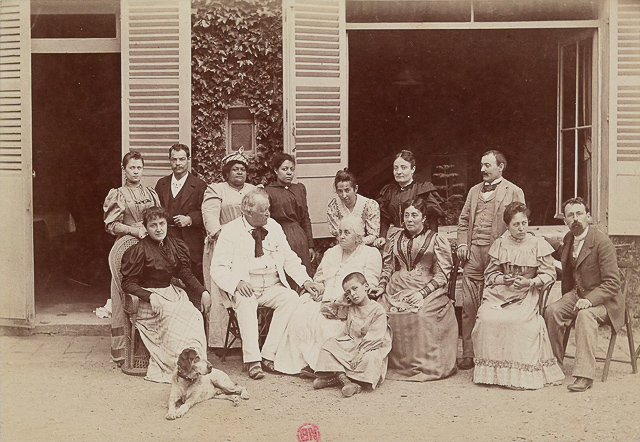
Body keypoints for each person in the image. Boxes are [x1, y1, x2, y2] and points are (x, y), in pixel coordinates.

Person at [210, 189, 323, 380]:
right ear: (247, 211)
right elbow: (218, 268)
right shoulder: (230, 231)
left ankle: (268, 355)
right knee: (246, 302)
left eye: (268, 209)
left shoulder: (274, 227)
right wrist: (237, 283)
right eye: (264, 210)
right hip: (246, 285)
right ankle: (253, 360)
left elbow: (289, 258)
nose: (268, 214)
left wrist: (306, 280)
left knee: (291, 298)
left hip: (272, 284)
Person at [471, 202, 565, 390]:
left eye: (524, 223)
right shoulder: (500, 244)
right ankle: (495, 374)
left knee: (519, 322)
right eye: (516, 224)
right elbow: (489, 275)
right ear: (507, 226)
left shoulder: (538, 244)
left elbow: (549, 275)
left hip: (526, 294)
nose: (521, 228)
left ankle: (520, 374)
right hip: (500, 294)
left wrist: (530, 282)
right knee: (487, 318)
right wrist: (502, 278)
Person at [274, 216, 382, 375]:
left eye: (347, 232)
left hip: (348, 302)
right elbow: (319, 277)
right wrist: (318, 288)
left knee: (326, 325)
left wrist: (345, 299)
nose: (342, 236)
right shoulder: (331, 252)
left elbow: (369, 284)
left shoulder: (370, 253)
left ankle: (322, 367)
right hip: (323, 298)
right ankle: (302, 363)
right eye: (340, 232)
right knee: (300, 316)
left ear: (358, 237)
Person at [370, 198, 458, 381]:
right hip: (396, 285)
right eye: (407, 215)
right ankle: (388, 364)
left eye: (414, 215)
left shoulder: (436, 239)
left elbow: (442, 275)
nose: (410, 219)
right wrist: (380, 286)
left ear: (424, 217)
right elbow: (388, 268)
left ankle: (423, 366)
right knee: (381, 311)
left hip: (428, 287)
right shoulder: (394, 238)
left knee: (421, 314)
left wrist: (422, 293)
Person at [120, 207, 211, 383]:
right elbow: (127, 283)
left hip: (171, 293)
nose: (159, 229)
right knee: (172, 320)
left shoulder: (174, 245)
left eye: (162, 224)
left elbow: (185, 273)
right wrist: (150, 296)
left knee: (193, 315)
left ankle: (196, 365)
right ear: (146, 228)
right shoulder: (139, 250)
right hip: (149, 300)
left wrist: (203, 291)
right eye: (153, 225)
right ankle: (176, 367)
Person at [544, 197, 623, 392]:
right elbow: (564, 257)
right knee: (552, 311)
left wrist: (589, 300)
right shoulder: (569, 239)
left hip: (605, 301)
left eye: (579, 214)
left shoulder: (602, 242)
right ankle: (554, 364)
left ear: (588, 216)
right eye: (570, 215)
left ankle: (585, 375)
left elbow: (613, 283)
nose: (575, 218)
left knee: (585, 315)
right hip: (578, 295)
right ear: (565, 221)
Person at [456, 150, 525, 370]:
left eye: (487, 165)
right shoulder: (475, 191)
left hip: (499, 255)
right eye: (481, 165)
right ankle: (468, 353)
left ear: (500, 167)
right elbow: (464, 220)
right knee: (468, 304)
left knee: (495, 303)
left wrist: (506, 251)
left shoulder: (514, 191)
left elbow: (520, 224)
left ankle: (493, 353)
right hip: (474, 253)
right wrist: (463, 244)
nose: (482, 169)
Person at [103, 150, 161, 365]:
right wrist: (132, 230)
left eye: (139, 167)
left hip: (148, 246)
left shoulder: (151, 193)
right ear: (124, 169)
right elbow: (110, 225)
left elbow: (157, 220)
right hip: (126, 247)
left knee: (149, 291)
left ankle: (147, 349)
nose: (136, 171)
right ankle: (122, 352)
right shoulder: (117, 194)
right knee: (123, 295)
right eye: (131, 167)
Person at [201, 147, 257, 348]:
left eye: (242, 168)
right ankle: (220, 342)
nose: (239, 172)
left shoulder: (254, 190)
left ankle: (248, 341)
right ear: (227, 173)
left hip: (249, 247)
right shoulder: (216, 189)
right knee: (221, 291)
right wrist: (227, 238)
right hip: (222, 247)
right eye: (235, 169)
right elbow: (211, 220)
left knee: (248, 288)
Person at [312, 272, 392, 398]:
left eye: (355, 288)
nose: (352, 294)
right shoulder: (349, 307)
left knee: (372, 358)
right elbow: (326, 311)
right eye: (348, 292)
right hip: (350, 344)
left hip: (368, 348)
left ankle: (336, 380)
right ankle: (346, 381)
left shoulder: (378, 310)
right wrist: (337, 303)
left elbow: (376, 336)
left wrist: (360, 353)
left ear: (365, 286)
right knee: (329, 345)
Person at [155, 143, 207, 283]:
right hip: (165, 239)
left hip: (189, 240)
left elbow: (205, 213)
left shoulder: (199, 185)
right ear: (170, 161)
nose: (178, 163)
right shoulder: (161, 184)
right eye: (174, 159)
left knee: (191, 279)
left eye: (182, 159)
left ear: (188, 160)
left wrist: (189, 219)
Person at [374, 150, 443, 248]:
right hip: (396, 240)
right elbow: (385, 219)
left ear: (413, 169)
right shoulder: (389, 192)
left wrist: (432, 241)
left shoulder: (423, 190)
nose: (398, 172)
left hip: (420, 241)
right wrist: (382, 237)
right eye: (396, 168)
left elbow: (432, 219)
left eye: (403, 168)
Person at [265, 152, 315, 274]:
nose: (289, 172)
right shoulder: (268, 191)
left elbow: (305, 218)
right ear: (276, 171)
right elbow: (266, 221)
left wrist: (310, 245)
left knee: (303, 271)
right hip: (280, 236)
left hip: (299, 237)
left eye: (292, 169)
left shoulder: (299, 189)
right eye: (284, 169)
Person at [327, 168, 380, 247]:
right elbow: (338, 233)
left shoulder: (370, 205)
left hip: (365, 247)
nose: (344, 195)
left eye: (347, 190)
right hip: (343, 246)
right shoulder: (333, 206)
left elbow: (373, 234)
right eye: (340, 191)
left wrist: (357, 242)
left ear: (356, 189)